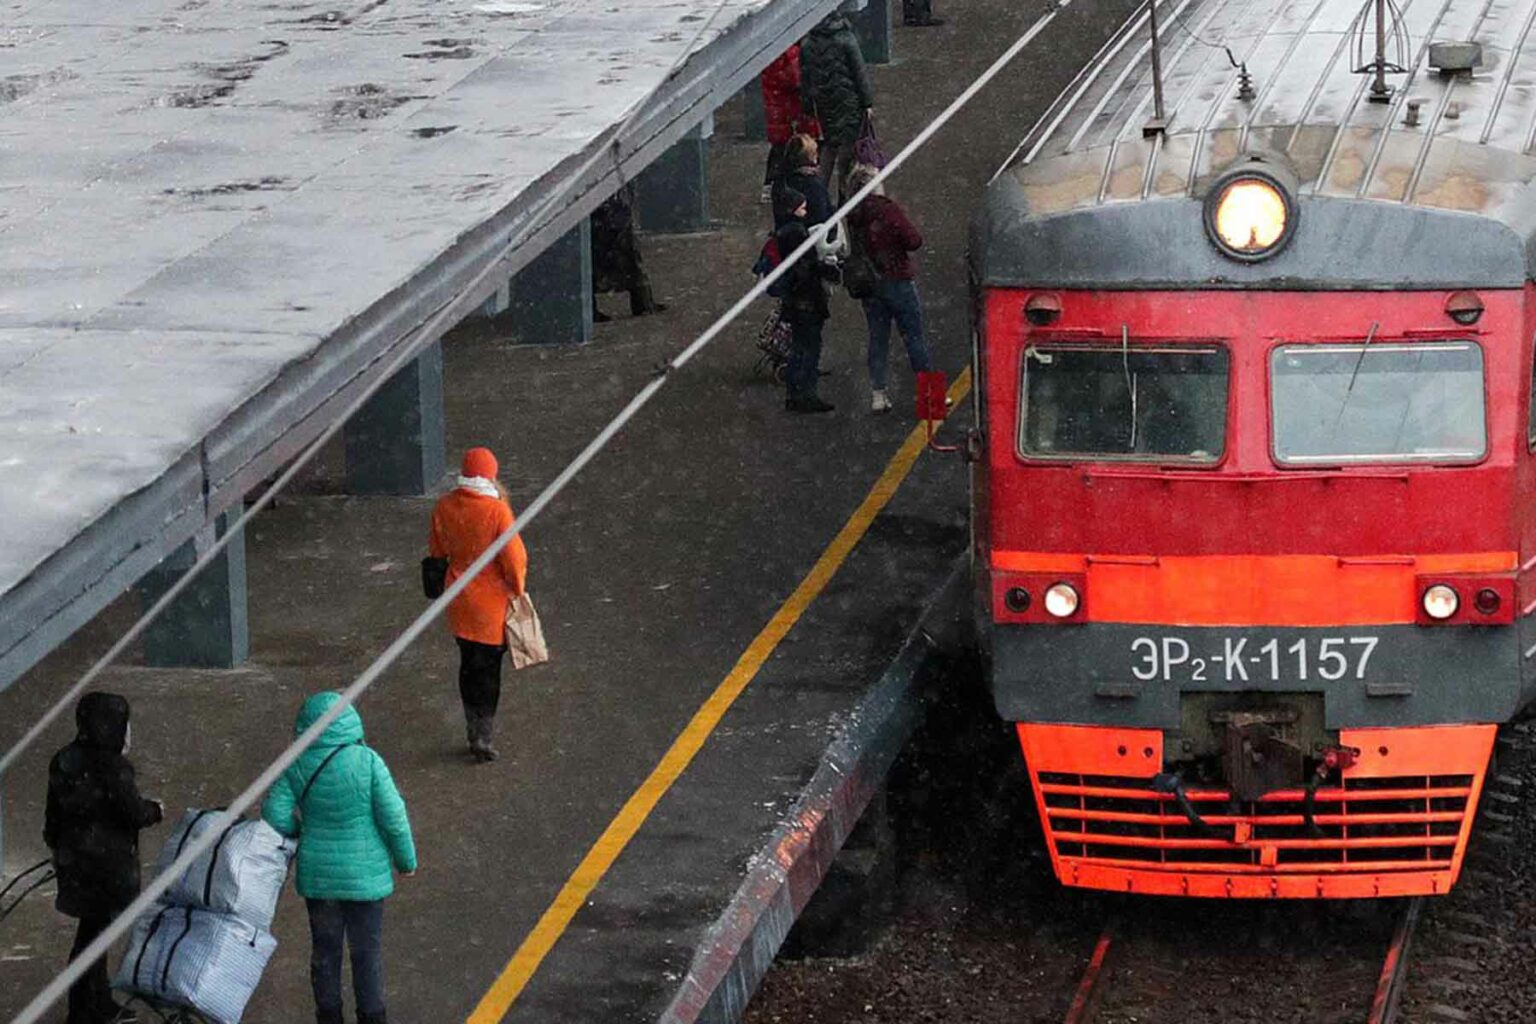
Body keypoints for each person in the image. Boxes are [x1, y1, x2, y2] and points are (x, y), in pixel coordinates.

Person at [262, 692, 416, 1024]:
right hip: (365, 878)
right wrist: (406, 861)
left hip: (319, 878)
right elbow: (394, 816)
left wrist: (301, 829)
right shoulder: (369, 761)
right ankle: (372, 1016)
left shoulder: (297, 763)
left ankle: (329, 1016)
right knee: (366, 954)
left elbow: (273, 812)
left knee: (325, 953)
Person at [45, 692, 163, 1024]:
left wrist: (60, 850)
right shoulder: (113, 767)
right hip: (107, 871)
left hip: (75, 866)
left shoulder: (64, 760)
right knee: (93, 939)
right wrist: (155, 810)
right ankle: (86, 1008)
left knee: (92, 934)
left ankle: (96, 1002)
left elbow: (52, 819)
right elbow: (133, 812)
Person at [427, 446, 529, 761]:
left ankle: (472, 726)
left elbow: (436, 550)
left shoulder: (444, 506)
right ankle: (483, 733)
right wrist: (517, 588)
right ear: (491, 474)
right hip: (490, 604)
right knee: (488, 672)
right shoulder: (497, 511)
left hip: (459, 600)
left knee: (468, 665)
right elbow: (514, 559)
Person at [846, 163, 933, 413]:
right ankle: (931, 396)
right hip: (897, 280)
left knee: (878, 338)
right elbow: (913, 240)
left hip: (870, 285)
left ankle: (878, 394)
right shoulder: (887, 210)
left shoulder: (854, 213)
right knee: (914, 337)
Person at [774, 186, 841, 413]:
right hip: (807, 302)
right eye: (801, 207)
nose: (805, 210)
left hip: (794, 301)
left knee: (798, 348)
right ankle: (806, 394)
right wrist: (824, 268)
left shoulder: (784, 232)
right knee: (810, 347)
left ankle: (794, 393)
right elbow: (806, 270)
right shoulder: (797, 234)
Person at [800, 11, 874, 201]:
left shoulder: (807, 44)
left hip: (825, 104)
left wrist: (808, 106)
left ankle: (819, 193)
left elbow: (805, 78)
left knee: (829, 145)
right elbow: (860, 73)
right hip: (849, 103)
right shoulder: (846, 39)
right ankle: (845, 196)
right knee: (848, 151)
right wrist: (867, 102)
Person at [591, 184, 665, 322]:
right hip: (611, 206)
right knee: (628, 254)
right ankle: (643, 301)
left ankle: (643, 301)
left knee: (613, 253)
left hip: (605, 206)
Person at [759, 43, 822, 204]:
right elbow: (795, 79)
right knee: (788, 148)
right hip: (788, 111)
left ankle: (772, 185)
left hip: (778, 109)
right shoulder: (788, 52)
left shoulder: (772, 51)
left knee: (780, 147)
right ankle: (775, 185)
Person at [772, 133, 834, 231]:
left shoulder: (781, 182)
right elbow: (822, 215)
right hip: (812, 238)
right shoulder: (812, 184)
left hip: (787, 237)